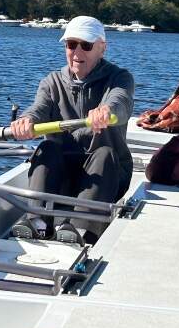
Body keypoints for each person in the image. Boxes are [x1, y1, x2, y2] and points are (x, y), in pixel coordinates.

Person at [8, 15, 134, 244]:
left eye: (86, 45)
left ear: (102, 48)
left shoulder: (119, 78)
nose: (77, 52)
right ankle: (37, 221)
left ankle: (82, 229)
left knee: (105, 154)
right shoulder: (52, 82)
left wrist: (106, 110)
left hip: (107, 174)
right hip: (64, 172)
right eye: (71, 44)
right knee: (46, 148)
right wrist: (26, 121)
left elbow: (121, 101)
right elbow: (39, 109)